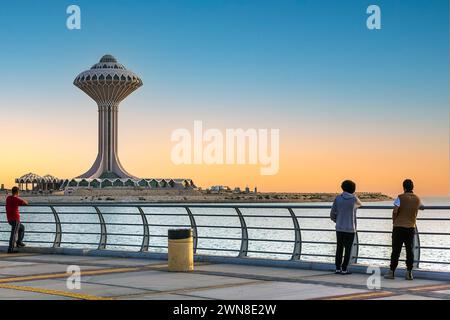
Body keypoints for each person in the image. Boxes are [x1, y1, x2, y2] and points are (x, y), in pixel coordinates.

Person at [385, 179, 424, 280]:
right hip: (411, 227)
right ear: (413, 187)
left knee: (396, 250)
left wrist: (394, 221)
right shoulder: (417, 198)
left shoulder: (400, 197)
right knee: (409, 250)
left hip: (398, 227)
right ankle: (409, 273)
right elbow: (421, 207)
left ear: (404, 187)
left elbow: (395, 211)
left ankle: (391, 272)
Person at [330, 180, 362, 275]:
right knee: (348, 249)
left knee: (339, 248)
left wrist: (337, 220)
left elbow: (332, 213)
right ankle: (344, 269)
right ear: (353, 189)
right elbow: (360, 204)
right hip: (350, 228)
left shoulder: (338, 198)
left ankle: (337, 268)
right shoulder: (354, 199)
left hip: (339, 227)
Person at [5, 187, 28, 253]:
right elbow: (25, 203)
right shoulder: (16, 199)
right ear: (17, 192)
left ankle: (19, 242)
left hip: (9, 219)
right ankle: (10, 249)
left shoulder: (8, 198)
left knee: (22, 228)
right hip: (15, 219)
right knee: (14, 234)